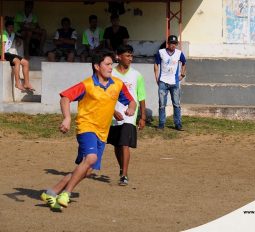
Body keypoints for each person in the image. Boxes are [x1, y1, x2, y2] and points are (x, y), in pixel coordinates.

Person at [40, 52, 136, 209]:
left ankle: (51, 192)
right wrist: (67, 118)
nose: (111, 68)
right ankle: (67, 193)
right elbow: (65, 98)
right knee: (90, 159)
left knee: (87, 170)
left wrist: (131, 109)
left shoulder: (117, 84)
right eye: (107, 64)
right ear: (97, 66)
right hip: (86, 127)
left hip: (103, 133)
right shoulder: (86, 85)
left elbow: (131, 101)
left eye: (112, 64)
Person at [107, 44, 146, 186]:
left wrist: (142, 117)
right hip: (113, 115)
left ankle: (124, 175)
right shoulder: (111, 74)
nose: (131, 58)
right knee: (117, 145)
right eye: (128, 55)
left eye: (131, 55)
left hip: (130, 115)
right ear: (118, 56)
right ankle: (122, 168)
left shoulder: (137, 75)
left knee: (124, 143)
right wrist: (112, 111)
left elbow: (141, 97)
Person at [154, 35, 186, 131]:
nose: (173, 45)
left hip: (174, 82)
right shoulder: (161, 52)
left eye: (175, 43)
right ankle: (161, 124)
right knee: (162, 104)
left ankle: (178, 124)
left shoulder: (179, 53)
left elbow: (184, 63)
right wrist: (156, 78)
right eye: (171, 43)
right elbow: (156, 64)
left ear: (176, 44)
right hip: (163, 81)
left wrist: (182, 75)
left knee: (176, 104)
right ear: (168, 43)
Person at [1, 19, 35, 91]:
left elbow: (17, 36)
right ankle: (17, 83)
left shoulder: (13, 34)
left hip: (7, 53)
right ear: (6, 28)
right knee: (17, 61)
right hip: (2, 53)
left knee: (26, 62)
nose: (11, 29)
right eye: (9, 27)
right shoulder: (3, 34)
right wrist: (2, 58)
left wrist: (18, 39)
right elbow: (3, 46)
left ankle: (26, 83)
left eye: (12, 27)